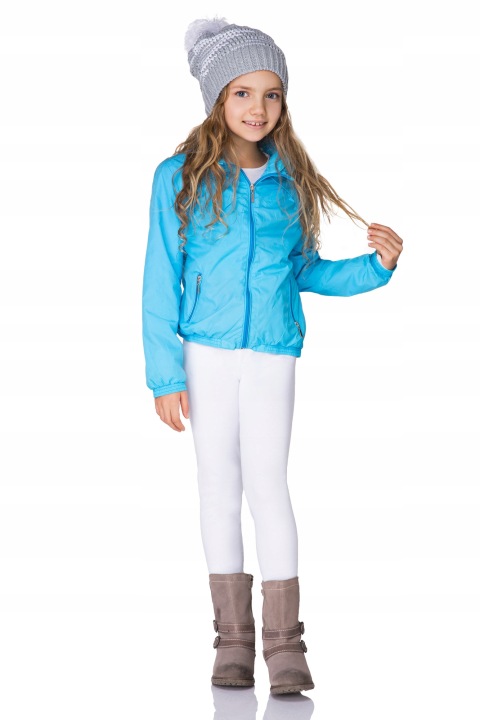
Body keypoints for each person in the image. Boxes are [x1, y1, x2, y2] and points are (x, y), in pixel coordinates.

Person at [141, 17, 403, 695]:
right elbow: (159, 280)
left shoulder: (289, 183)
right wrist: (165, 375)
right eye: (242, 93)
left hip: (271, 355)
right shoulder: (178, 178)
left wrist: (374, 269)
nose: (258, 108)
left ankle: (285, 647)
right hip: (204, 353)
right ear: (216, 98)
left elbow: (303, 270)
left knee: (268, 487)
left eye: (272, 94)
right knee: (217, 489)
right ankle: (232, 642)